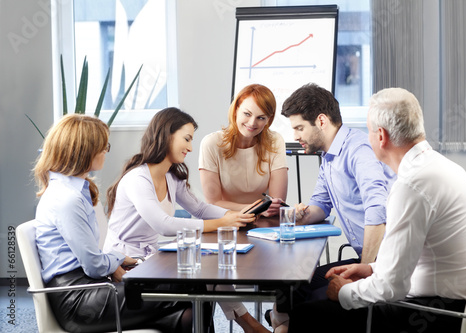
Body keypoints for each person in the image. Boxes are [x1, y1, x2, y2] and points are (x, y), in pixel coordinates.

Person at [288, 87, 466, 333]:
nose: (365, 137)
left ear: (381, 136)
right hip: (462, 305)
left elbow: (391, 287)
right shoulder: (442, 168)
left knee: (307, 315)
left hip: (436, 313)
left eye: (368, 131)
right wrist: (370, 268)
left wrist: (344, 292)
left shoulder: (411, 187)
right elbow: (416, 261)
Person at [104, 107, 270, 333]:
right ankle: (247, 323)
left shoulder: (171, 176)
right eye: (187, 139)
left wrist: (238, 215)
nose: (191, 147)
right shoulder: (137, 179)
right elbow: (163, 224)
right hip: (127, 267)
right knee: (206, 275)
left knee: (208, 271)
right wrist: (222, 222)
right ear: (166, 135)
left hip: (151, 262)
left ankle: (244, 323)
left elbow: (200, 208)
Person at [34, 114, 193, 332]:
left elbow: (92, 259)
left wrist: (120, 261)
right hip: (79, 301)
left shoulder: (72, 191)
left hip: (90, 290)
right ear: (84, 150)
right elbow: (92, 264)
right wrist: (119, 260)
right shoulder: (66, 199)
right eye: (103, 146)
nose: (106, 151)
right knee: (189, 287)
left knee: (186, 314)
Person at [268, 83, 395, 332]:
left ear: (322, 121)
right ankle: (282, 323)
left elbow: (377, 210)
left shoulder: (358, 150)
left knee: (306, 304)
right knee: (295, 285)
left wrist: (364, 271)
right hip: (365, 256)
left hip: (383, 261)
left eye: (299, 128)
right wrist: (297, 216)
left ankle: (291, 323)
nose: (295, 136)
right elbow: (320, 206)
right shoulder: (328, 157)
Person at [199, 83, 288, 217]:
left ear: (268, 120)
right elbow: (213, 202)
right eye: (247, 114)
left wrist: (264, 209)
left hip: (264, 222)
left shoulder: (275, 141)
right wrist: (258, 208)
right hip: (226, 221)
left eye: (261, 118)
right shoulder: (211, 143)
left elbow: (276, 203)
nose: (252, 123)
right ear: (235, 110)